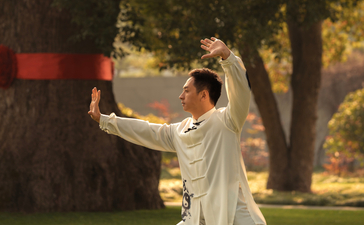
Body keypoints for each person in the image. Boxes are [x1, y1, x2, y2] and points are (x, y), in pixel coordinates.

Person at [88, 37, 266, 225]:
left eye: (186, 91)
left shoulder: (228, 121)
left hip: (233, 216)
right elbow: (146, 130)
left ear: (204, 95)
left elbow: (241, 93)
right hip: (194, 218)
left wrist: (228, 58)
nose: (180, 96)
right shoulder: (178, 131)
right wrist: (104, 120)